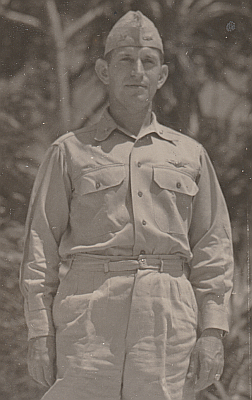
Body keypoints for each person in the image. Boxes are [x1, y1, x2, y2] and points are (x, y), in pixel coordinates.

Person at [20, 10, 234, 400]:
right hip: (88, 322)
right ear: (103, 71)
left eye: (148, 62)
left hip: (167, 323)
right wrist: (38, 330)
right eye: (125, 60)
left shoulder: (190, 155)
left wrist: (213, 333)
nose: (137, 71)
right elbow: (39, 248)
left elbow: (213, 249)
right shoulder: (69, 152)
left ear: (162, 75)